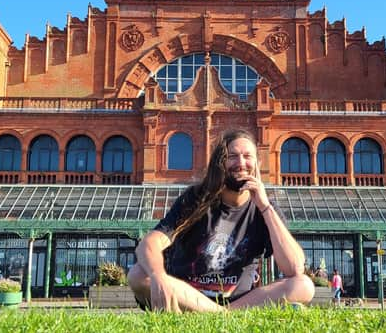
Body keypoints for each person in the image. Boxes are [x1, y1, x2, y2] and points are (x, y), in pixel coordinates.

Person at [128, 129, 314, 312]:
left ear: (257, 163)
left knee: (303, 285)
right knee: (138, 274)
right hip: (188, 296)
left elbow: (295, 268)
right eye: (232, 156)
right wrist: (158, 275)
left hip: (239, 301)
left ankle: (219, 313)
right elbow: (149, 243)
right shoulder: (196, 199)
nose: (241, 163)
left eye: (247, 156)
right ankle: (222, 315)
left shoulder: (265, 209)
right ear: (220, 162)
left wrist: (264, 206)